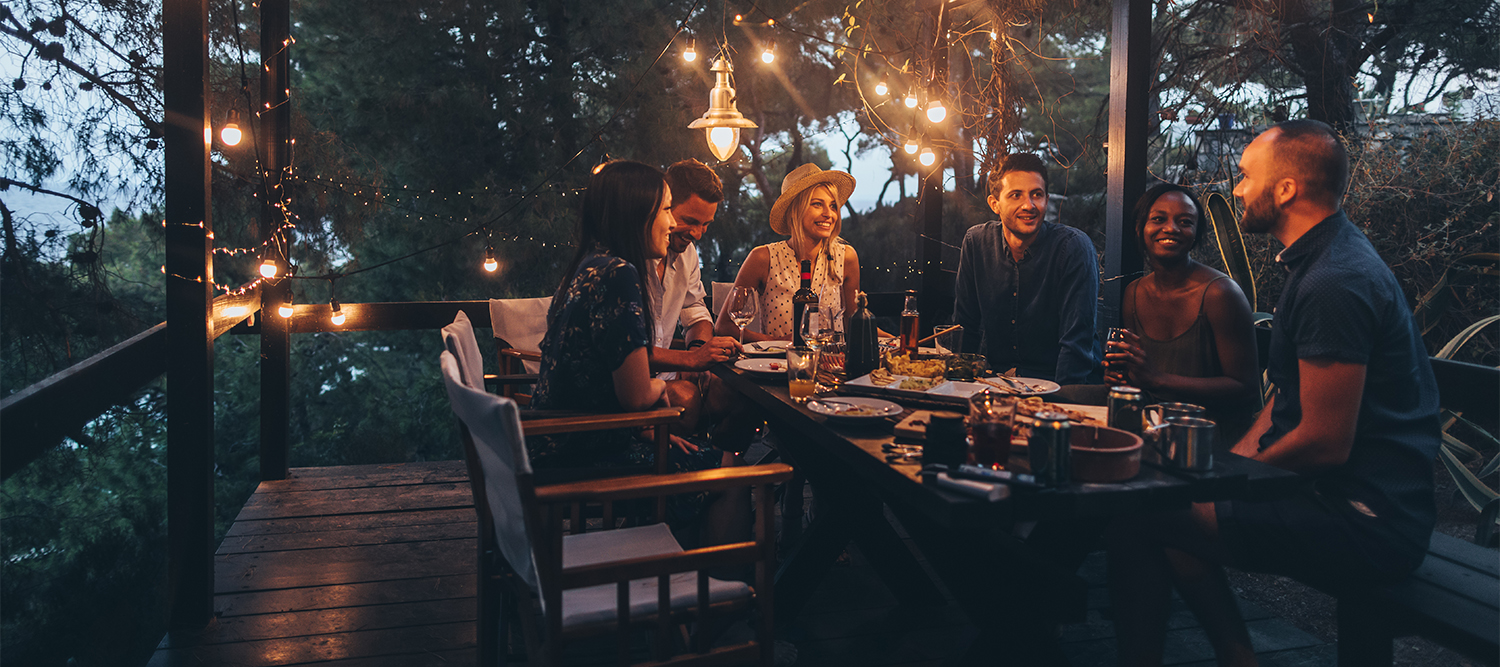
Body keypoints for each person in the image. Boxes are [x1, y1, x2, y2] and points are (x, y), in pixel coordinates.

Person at [1106, 120, 1441, 667]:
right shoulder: (1321, 260)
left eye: (1245, 176)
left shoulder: (1335, 280)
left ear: (1284, 189)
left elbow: (1324, 442)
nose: (1236, 189)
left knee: (1139, 519)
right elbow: (1283, 399)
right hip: (1334, 497)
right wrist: (1224, 473)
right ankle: (1237, 656)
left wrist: (1229, 485)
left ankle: (1235, 656)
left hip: (1367, 520)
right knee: (1162, 507)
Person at [530, 159, 717, 475]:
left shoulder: (593, 263)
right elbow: (636, 395)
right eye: (667, 211)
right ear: (637, 216)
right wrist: (660, 390)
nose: (672, 224)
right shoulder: (619, 275)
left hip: (565, 438)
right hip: (581, 454)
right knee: (730, 473)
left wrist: (642, 423)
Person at [1105, 183, 1260, 441]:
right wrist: (1123, 378)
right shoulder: (1134, 293)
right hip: (1153, 425)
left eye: (1185, 221)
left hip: (1207, 438)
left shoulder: (1220, 294)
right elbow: (1140, 377)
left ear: (1196, 233)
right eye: (1158, 219)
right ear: (1139, 228)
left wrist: (1157, 379)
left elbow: (1246, 389)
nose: (1171, 228)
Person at [953, 153, 1100, 384]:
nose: (1029, 205)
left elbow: (1076, 345)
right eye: (1015, 195)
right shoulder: (976, 242)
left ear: (1046, 199)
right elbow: (965, 326)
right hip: (998, 383)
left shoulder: (1073, 247)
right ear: (995, 204)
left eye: (1037, 195)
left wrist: (1056, 409)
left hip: (1058, 387)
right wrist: (958, 388)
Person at [647, 160, 744, 440]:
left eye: (706, 224)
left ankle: (721, 468)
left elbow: (694, 308)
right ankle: (678, 471)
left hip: (668, 374)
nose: (698, 234)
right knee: (687, 398)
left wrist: (699, 350)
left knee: (736, 394)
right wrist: (689, 361)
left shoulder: (687, 253)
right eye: (689, 221)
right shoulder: (624, 263)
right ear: (663, 206)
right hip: (632, 385)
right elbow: (628, 355)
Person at [715, 163, 860, 342]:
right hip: (777, 366)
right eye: (817, 204)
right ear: (794, 211)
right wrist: (778, 343)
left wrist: (897, 339)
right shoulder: (763, 258)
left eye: (832, 206)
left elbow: (856, 324)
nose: (828, 214)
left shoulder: (846, 257)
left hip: (832, 366)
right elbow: (724, 327)